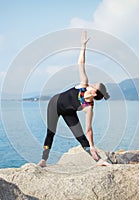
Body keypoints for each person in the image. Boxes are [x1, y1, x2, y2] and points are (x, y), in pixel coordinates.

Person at [38, 31, 111, 167]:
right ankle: (43, 160)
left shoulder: (88, 107)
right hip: (54, 104)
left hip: (68, 112)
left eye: (93, 86)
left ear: (95, 94)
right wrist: (83, 46)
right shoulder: (83, 84)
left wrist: (92, 145)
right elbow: (81, 63)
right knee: (50, 132)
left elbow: (89, 130)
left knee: (81, 137)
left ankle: (98, 160)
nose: (91, 84)